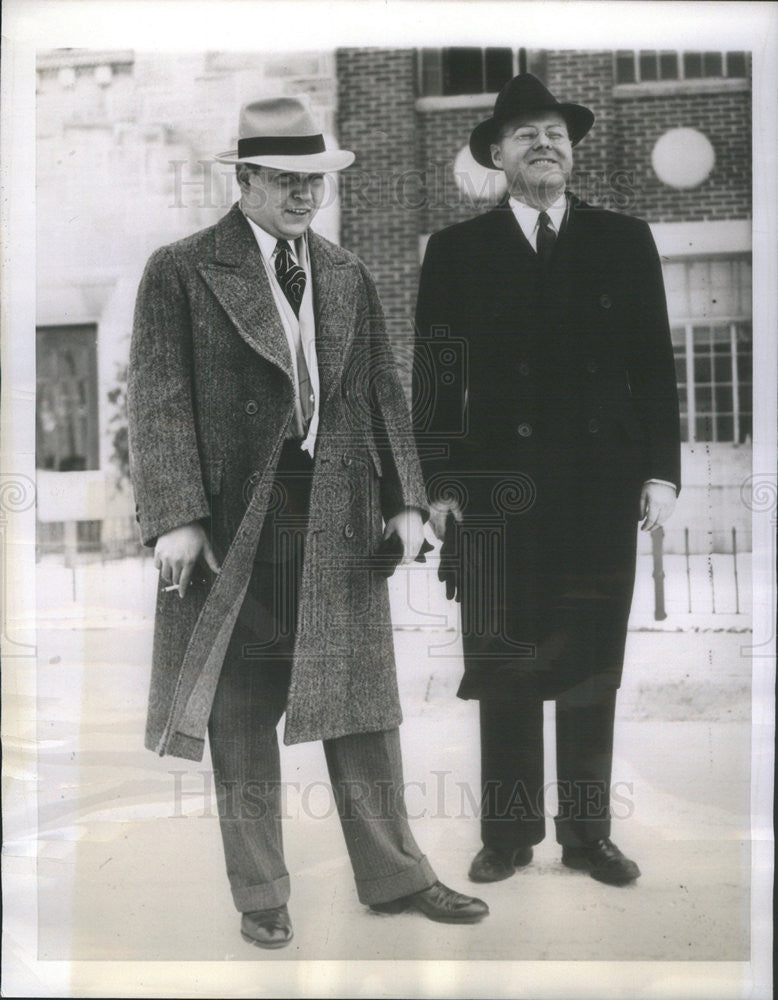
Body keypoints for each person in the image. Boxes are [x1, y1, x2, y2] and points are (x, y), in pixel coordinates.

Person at [128, 95, 488, 949]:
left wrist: (404, 498)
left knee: (361, 703)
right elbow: (160, 398)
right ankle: (262, 893)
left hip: (338, 510)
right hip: (236, 518)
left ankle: (396, 876)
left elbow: (377, 394)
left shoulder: (345, 271)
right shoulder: (180, 269)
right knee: (242, 709)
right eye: (286, 180)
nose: (303, 196)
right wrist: (176, 516)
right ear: (245, 179)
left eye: (315, 181)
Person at [413, 74, 681, 887]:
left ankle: (588, 834)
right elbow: (436, 375)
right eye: (526, 133)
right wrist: (441, 481)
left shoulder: (624, 238)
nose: (545, 143)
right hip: (498, 494)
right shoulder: (458, 251)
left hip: (600, 490)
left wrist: (661, 472)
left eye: (557, 132)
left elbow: (653, 367)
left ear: (572, 149)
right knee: (507, 663)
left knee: (592, 664)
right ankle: (509, 833)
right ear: (497, 154)